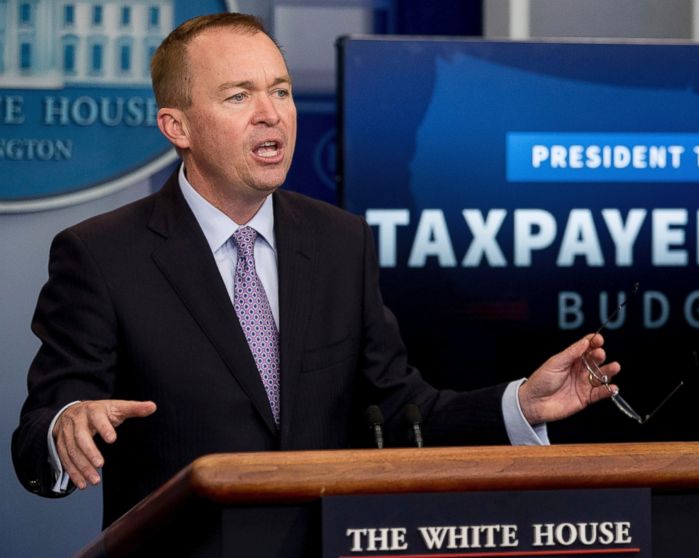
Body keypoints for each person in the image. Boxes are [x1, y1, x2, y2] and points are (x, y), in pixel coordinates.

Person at [11, 12, 621, 535]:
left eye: (280, 90)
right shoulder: (101, 254)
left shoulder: (339, 242)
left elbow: (402, 411)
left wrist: (522, 406)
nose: (270, 114)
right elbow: (37, 435)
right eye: (238, 95)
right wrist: (68, 426)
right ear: (179, 127)